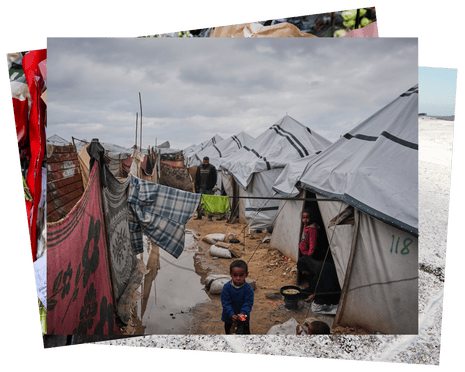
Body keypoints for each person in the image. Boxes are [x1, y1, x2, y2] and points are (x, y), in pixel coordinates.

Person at [221, 260, 254, 334]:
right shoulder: (226, 287)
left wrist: (242, 313)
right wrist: (231, 314)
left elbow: (248, 303)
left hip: (243, 319)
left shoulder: (248, 289)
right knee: (229, 336)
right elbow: (226, 303)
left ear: (246, 274)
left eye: (241, 275)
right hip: (228, 318)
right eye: (235, 275)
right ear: (230, 274)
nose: (238, 278)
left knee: (244, 336)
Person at [194, 156, 217, 220]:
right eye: (204, 161)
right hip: (201, 188)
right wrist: (197, 186)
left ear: (208, 161)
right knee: (200, 202)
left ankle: (210, 217)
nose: (206, 162)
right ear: (203, 161)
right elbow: (197, 177)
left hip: (209, 189)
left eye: (207, 161)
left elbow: (214, 178)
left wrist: (211, 186)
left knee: (209, 202)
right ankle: (199, 215)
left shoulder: (212, 168)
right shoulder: (199, 167)